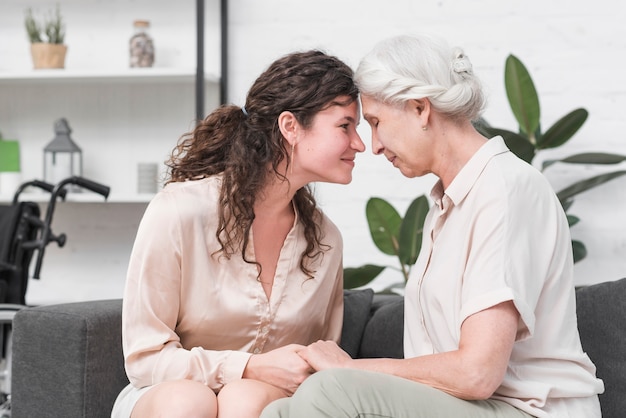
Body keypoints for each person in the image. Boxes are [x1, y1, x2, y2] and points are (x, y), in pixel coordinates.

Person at [261, 34, 605, 418]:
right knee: (279, 411)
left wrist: (351, 368)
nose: (372, 146)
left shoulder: (505, 190)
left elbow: (477, 373)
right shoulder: (447, 205)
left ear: (420, 109)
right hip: (470, 406)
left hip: (527, 411)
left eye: (375, 122)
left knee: (330, 390)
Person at [111, 49, 365, 418]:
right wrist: (248, 366)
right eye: (345, 126)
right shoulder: (180, 211)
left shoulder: (324, 241)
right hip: (165, 397)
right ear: (290, 126)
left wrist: (267, 377)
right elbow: (145, 360)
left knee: (245, 399)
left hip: (260, 405)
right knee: (189, 401)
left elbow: (317, 362)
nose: (359, 143)